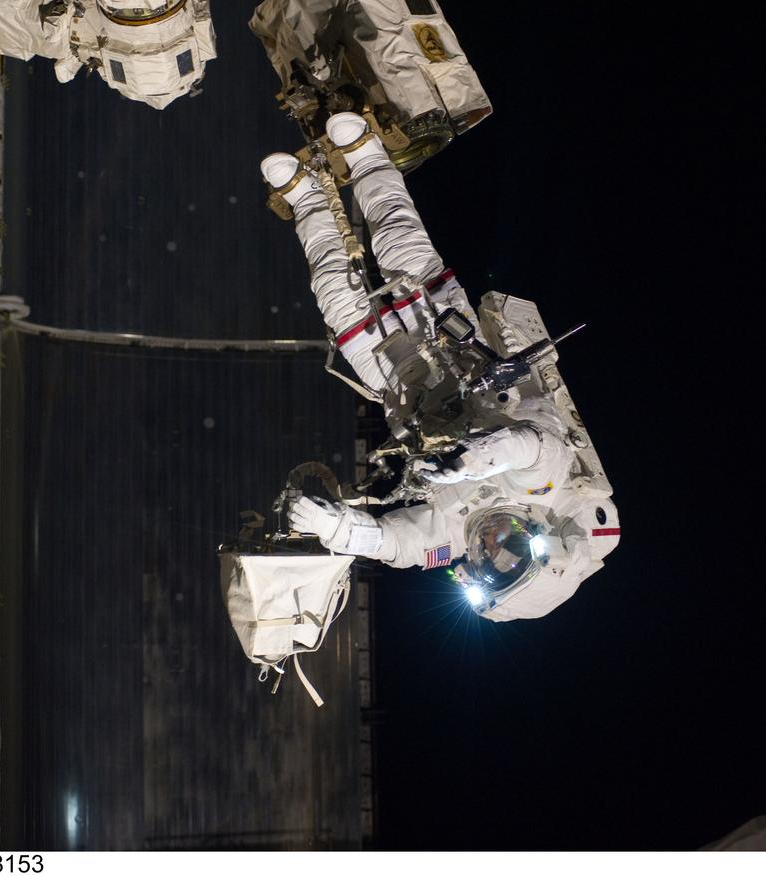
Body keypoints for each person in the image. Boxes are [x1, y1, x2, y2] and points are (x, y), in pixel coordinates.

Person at [260, 113, 619, 621]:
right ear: (537, 542)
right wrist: (470, 460)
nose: (493, 544)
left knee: (337, 297)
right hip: (464, 359)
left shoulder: (450, 536)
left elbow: (396, 544)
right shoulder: (546, 489)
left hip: (401, 389)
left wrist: (337, 528)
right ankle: (364, 155)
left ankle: (305, 198)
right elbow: (535, 446)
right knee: (403, 248)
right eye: (511, 551)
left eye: (487, 561)